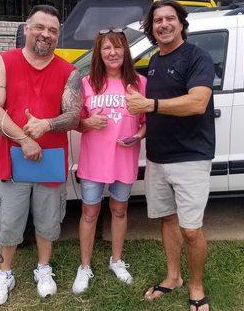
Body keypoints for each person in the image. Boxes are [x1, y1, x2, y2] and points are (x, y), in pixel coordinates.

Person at [0, 4, 82, 307]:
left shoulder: (69, 71)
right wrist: (25, 139)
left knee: (48, 221)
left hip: (50, 165)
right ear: (26, 28)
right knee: (9, 222)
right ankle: (5, 273)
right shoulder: (1, 62)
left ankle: (43, 268)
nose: (45, 34)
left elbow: (74, 115)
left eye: (52, 30)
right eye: (40, 27)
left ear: (58, 36)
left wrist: (48, 124)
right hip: (12, 161)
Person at [126, 0, 215, 311]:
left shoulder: (197, 57)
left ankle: (196, 286)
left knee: (191, 229)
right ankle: (174, 277)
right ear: (151, 28)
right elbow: (159, 111)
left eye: (169, 18)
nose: (163, 24)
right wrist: (141, 131)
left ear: (181, 23)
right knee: (167, 219)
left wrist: (150, 105)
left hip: (190, 157)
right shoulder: (154, 61)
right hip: (158, 157)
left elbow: (197, 102)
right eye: (157, 20)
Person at [71, 28, 146, 294]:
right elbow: (75, 120)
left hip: (123, 159)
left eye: (117, 47)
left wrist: (137, 135)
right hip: (93, 161)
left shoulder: (138, 83)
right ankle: (85, 266)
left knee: (119, 210)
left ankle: (116, 260)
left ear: (126, 51)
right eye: (106, 48)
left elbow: (146, 122)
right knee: (89, 213)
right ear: (99, 53)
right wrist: (86, 122)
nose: (112, 52)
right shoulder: (87, 83)